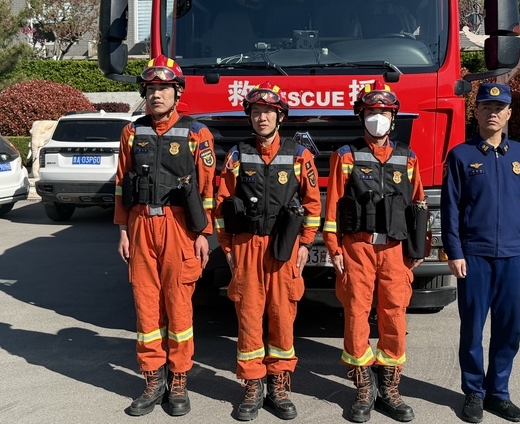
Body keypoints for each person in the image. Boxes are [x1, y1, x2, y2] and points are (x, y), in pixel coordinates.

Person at [114, 54, 216, 417]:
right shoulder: (131, 132)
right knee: (146, 306)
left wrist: (203, 234)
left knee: (178, 306)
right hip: (141, 224)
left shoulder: (197, 133)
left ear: (177, 93)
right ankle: (152, 380)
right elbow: (121, 183)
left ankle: (179, 381)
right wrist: (123, 230)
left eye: (164, 88)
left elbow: (207, 190)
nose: (156, 95)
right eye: (151, 88)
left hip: (179, 226)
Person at [214, 82, 322, 421]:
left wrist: (305, 243)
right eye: (257, 112)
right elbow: (221, 202)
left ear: (280, 117)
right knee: (248, 315)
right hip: (246, 245)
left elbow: (312, 204)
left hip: (283, 246)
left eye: (269, 112)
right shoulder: (237, 154)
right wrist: (227, 246)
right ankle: (252, 384)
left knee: (282, 314)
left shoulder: (300, 155)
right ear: (250, 116)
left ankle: (279, 385)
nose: (262, 118)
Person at [323, 80, 427, 423]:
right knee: (356, 313)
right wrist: (333, 247)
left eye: (383, 112)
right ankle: (363, 386)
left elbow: (418, 204)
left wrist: (419, 247)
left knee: (394, 314)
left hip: (395, 248)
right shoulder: (346, 155)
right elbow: (333, 204)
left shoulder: (407, 157)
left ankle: (389, 387)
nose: (377, 118)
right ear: (361, 116)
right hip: (357, 247)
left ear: (393, 118)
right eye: (370, 112)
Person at [441, 82, 520, 423]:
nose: (493, 113)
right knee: (472, 327)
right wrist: (454, 251)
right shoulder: (461, 155)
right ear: (476, 112)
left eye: (499, 108)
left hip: (512, 257)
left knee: (508, 328)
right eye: (486, 107)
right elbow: (450, 209)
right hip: (474, 256)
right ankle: (474, 391)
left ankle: (498, 393)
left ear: (509, 113)